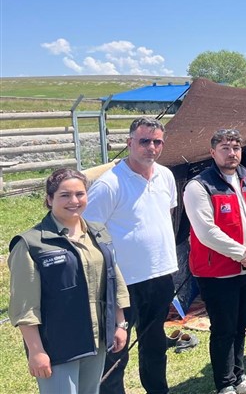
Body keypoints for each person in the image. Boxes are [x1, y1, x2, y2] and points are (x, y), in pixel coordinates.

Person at [9, 168, 129, 394]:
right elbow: (25, 307)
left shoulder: (98, 232)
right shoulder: (30, 244)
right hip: (58, 346)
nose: (74, 201)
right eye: (65, 195)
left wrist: (120, 323)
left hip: (96, 340)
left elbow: (114, 278)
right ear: (49, 199)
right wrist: (36, 351)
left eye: (80, 194)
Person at [82, 117, 177, 394]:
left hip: (160, 275)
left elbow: (164, 216)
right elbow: (89, 232)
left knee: (155, 343)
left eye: (157, 141)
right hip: (123, 281)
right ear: (129, 143)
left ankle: (158, 390)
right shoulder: (109, 184)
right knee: (117, 348)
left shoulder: (166, 176)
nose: (151, 147)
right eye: (144, 141)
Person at [183, 129, 246, 394]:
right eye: (225, 147)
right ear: (212, 152)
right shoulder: (199, 186)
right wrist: (244, 255)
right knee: (223, 328)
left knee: (241, 325)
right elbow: (206, 231)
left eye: (236, 147)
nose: (232, 153)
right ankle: (224, 384)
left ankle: (239, 377)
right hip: (217, 272)